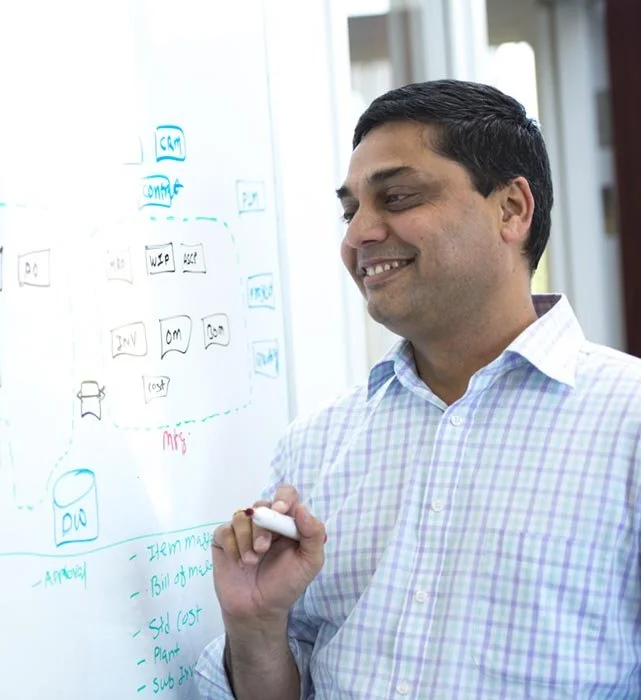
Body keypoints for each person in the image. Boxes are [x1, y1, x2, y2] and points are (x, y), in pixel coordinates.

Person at [195, 79, 641, 698]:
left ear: (512, 209)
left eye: (398, 197)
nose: (358, 236)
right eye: (350, 211)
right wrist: (256, 626)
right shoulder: (314, 447)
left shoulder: (628, 423)